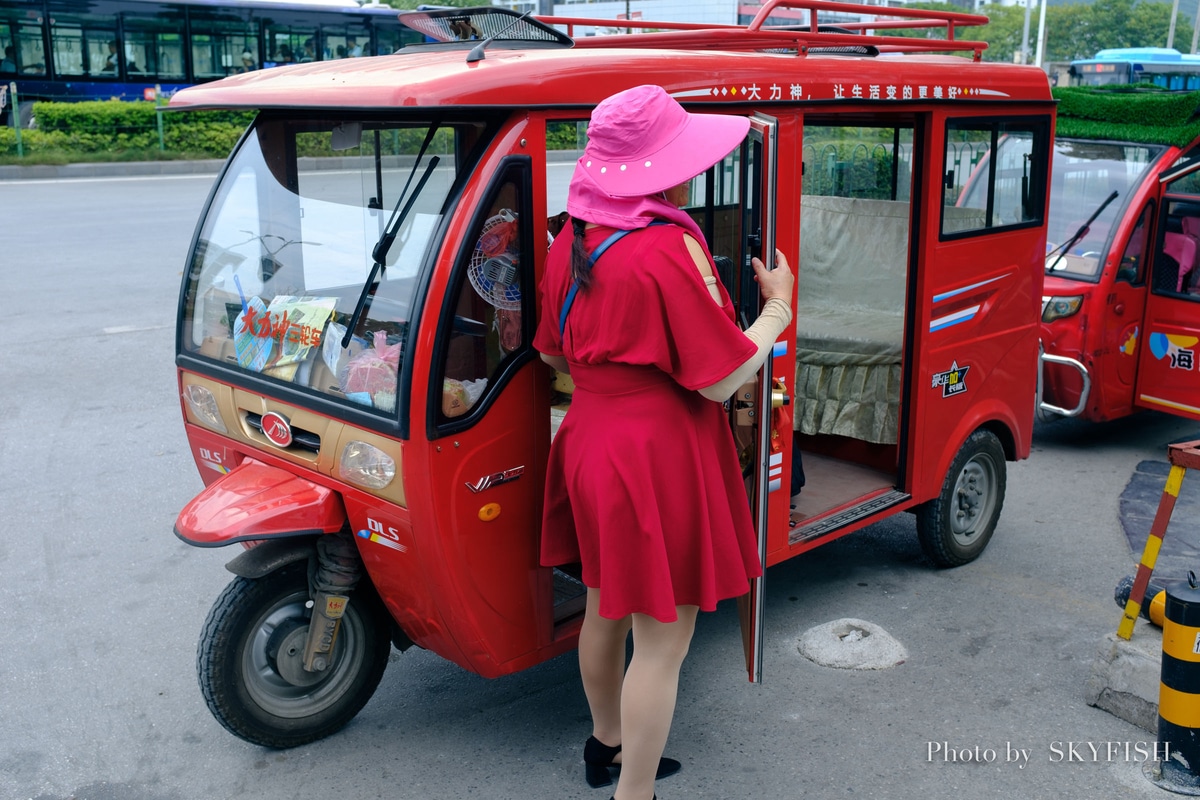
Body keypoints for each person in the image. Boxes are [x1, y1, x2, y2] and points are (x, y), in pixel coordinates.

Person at [533, 84, 794, 800]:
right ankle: (635, 792)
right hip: (658, 453)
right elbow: (722, 377)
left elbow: (554, 356)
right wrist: (777, 307)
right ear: (659, 167)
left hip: (588, 439)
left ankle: (605, 745)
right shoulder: (668, 246)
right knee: (662, 644)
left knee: (604, 607)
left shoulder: (572, 236)